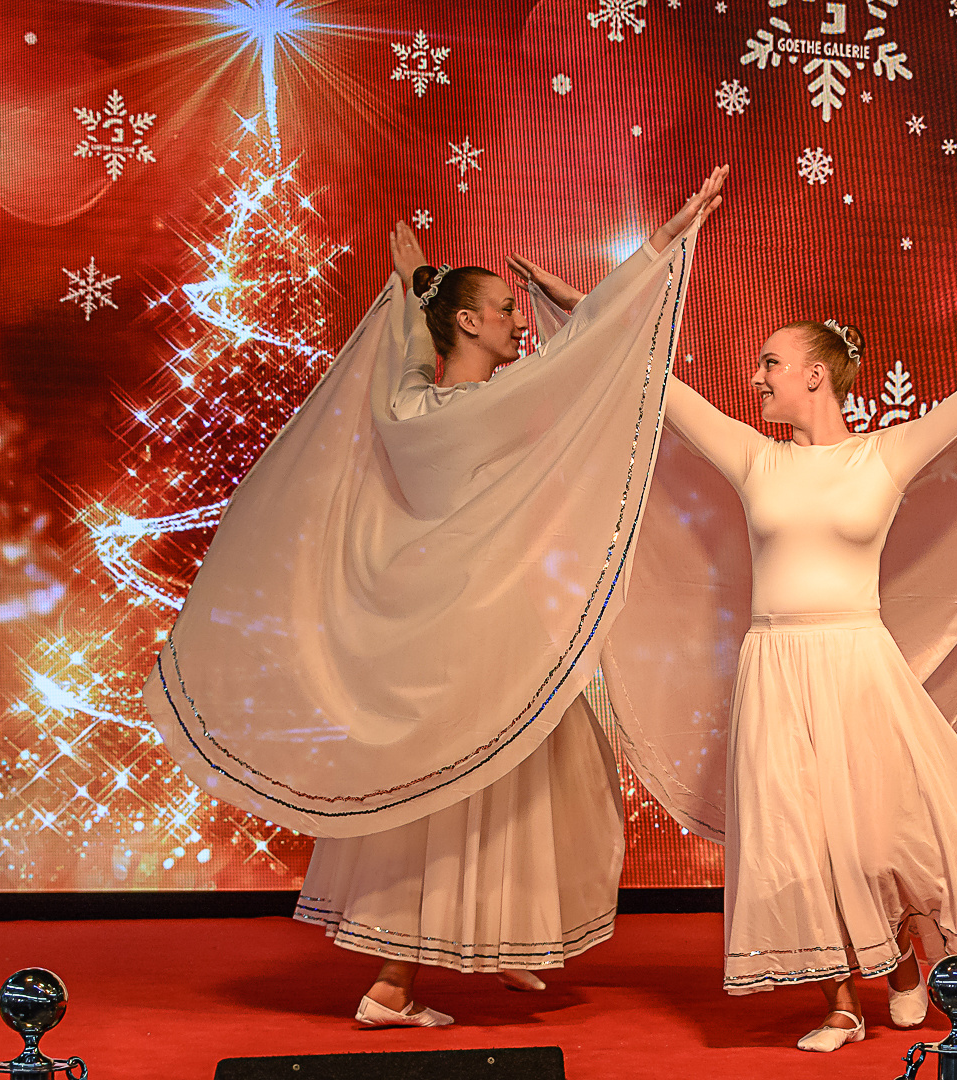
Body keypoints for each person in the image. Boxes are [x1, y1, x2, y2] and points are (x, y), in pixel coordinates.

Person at [511, 196, 957, 1049]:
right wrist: (579, 307)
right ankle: (840, 1006)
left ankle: (903, 958)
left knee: (875, 839)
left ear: (816, 374)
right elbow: (648, 378)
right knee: (792, 844)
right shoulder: (754, 456)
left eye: (770, 363)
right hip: (776, 665)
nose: (756, 378)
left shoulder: (885, 454)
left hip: (857, 666)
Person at [145, 170, 726, 1025]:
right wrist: (663, 244)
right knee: (461, 802)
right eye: (505, 308)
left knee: (516, 787)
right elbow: (593, 353)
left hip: (472, 627)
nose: (519, 319)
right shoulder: (488, 407)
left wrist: (413, 285)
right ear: (465, 322)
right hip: (481, 633)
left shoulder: (411, 406)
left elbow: (444, 356)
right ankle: (394, 984)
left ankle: (500, 940)